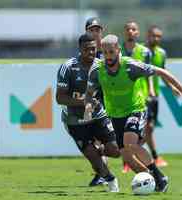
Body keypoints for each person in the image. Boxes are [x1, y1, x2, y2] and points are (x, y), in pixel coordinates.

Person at [84, 34, 182, 192]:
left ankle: (158, 176)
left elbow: (161, 71)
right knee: (127, 156)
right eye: (105, 52)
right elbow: (88, 93)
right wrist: (88, 106)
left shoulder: (130, 66)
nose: (108, 56)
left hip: (135, 109)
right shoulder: (97, 71)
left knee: (130, 144)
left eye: (111, 52)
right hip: (115, 115)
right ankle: (154, 180)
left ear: (118, 50)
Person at [56, 33, 120, 192]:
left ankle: (98, 150)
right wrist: (84, 102)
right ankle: (111, 180)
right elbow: (60, 98)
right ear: (80, 49)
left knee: (116, 150)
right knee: (93, 158)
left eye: (93, 49)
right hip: (74, 120)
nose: (91, 53)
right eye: (87, 49)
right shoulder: (68, 67)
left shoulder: (101, 66)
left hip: (98, 116)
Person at [120, 20, 151, 173]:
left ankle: (131, 158)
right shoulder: (117, 51)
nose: (130, 31)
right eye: (128, 29)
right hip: (121, 99)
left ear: (137, 33)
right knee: (124, 136)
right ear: (124, 32)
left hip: (141, 97)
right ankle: (128, 160)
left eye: (133, 29)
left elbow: (149, 74)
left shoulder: (145, 52)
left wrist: (150, 90)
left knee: (143, 133)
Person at [85, 17, 108, 187]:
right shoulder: (84, 53)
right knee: (96, 140)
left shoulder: (110, 50)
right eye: (91, 30)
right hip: (94, 101)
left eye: (97, 30)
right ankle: (102, 173)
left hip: (111, 100)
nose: (95, 33)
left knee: (105, 140)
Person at [143, 25, 168, 167]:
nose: (156, 38)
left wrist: (173, 87)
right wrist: (149, 89)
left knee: (150, 128)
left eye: (159, 36)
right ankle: (151, 157)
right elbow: (147, 73)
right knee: (145, 127)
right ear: (148, 35)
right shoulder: (140, 51)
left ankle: (136, 155)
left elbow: (163, 73)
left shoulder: (161, 53)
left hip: (155, 96)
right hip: (141, 95)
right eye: (153, 35)